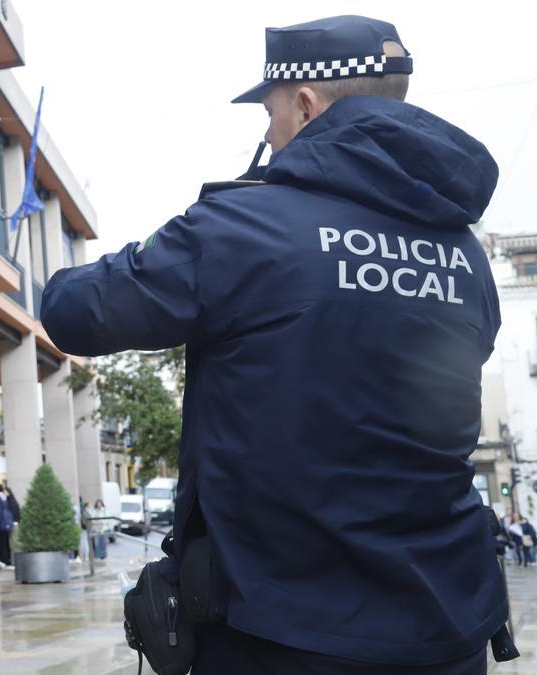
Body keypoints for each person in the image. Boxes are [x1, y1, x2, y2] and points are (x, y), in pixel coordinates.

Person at [42, 15, 513, 673]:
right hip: (448, 629)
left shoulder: (247, 227)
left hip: (280, 633)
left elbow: (77, 311)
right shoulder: (465, 257)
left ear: (304, 102)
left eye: (268, 112)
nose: (267, 133)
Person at [0, 483, 14, 569]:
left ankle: (4, 561)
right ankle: (7, 560)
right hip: (6, 524)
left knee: (2, 544)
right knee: (6, 544)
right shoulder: (5, 498)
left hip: (0, 525)